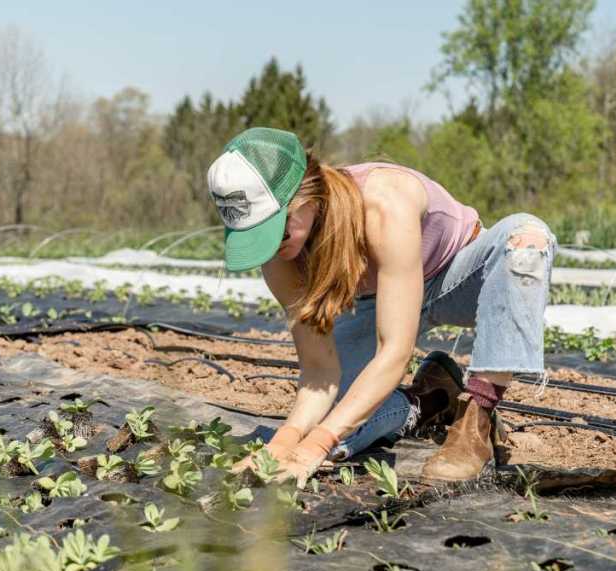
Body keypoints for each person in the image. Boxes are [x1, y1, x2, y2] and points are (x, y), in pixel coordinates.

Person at [207, 127, 557, 487]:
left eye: (276, 231)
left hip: (457, 278)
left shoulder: (382, 202)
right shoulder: (280, 257)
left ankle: (477, 419)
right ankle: (428, 399)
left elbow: (394, 352)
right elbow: (318, 371)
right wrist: (286, 442)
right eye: (256, 237)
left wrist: (316, 445)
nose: (273, 247)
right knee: (338, 422)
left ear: (307, 196)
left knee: (526, 239)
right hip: (380, 300)